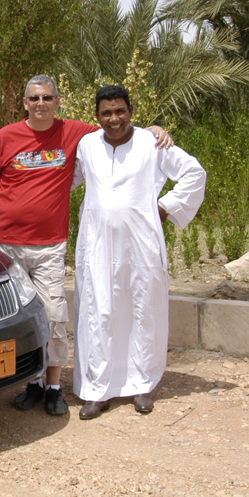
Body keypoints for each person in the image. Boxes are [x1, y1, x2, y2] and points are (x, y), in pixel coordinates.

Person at [0, 75, 171, 416]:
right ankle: (30, 383)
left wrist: (154, 129)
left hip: (50, 245)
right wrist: (7, 217)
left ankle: (53, 387)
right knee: (12, 317)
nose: (41, 104)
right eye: (34, 98)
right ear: (25, 102)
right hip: (7, 246)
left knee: (53, 317)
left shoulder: (75, 133)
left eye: (47, 98)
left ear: (58, 101)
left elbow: (117, 127)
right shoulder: (6, 137)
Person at [71, 84, 206, 419]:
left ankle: (141, 385)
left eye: (120, 111)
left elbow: (194, 173)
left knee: (143, 309)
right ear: (97, 115)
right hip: (97, 245)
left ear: (131, 110)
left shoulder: (152, 142)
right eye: (106, 112)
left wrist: (163, 208)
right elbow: (62, 180)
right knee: (97, 312)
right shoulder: (86, 145)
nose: (114, 118)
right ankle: (96, 390)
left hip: (141, 245)